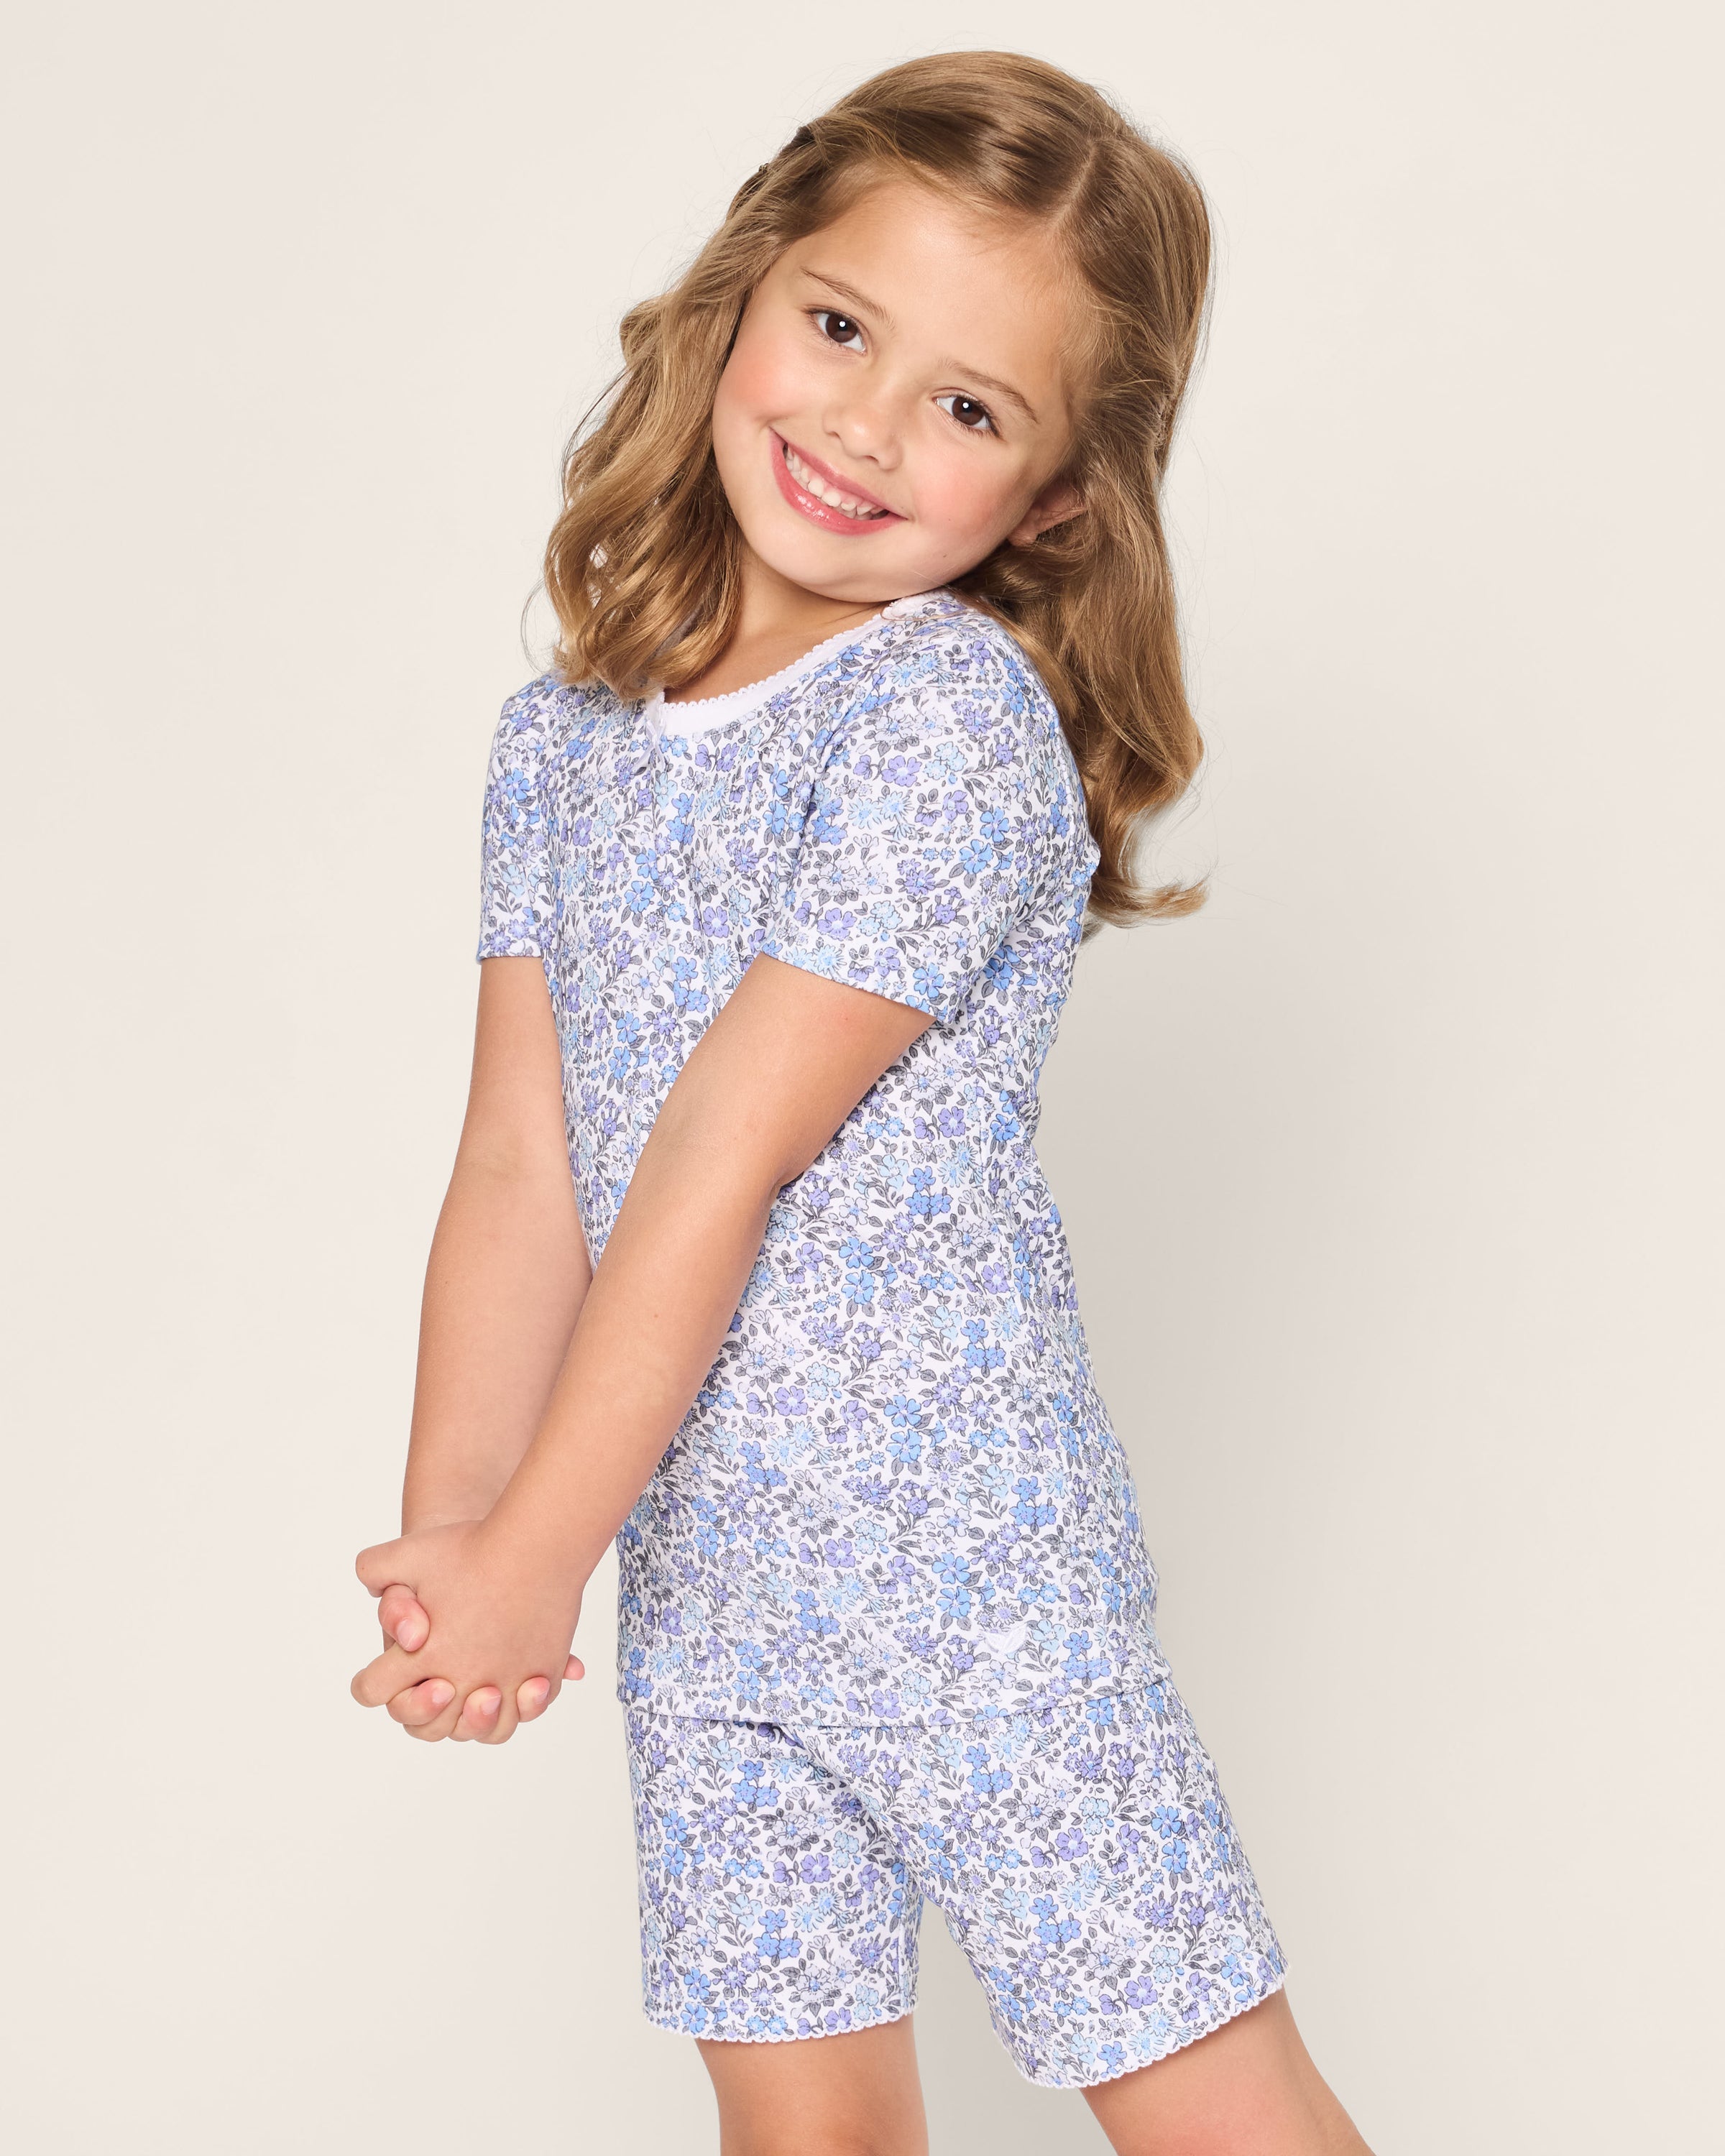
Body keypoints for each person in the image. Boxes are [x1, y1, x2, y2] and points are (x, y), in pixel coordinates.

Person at [349, 50, 1370, 2155]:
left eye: (970, 408)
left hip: (971, 1579)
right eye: (840, 327)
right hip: (709, 1577)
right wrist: (466, 1522)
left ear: (1059, 497)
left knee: (1199, 2096)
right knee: (804, 2128)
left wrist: (546, 1538)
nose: (866, 428)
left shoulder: (943, 722)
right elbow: (522, 1160)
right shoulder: (567, 741)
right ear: (746, 291)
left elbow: (723, 1155)